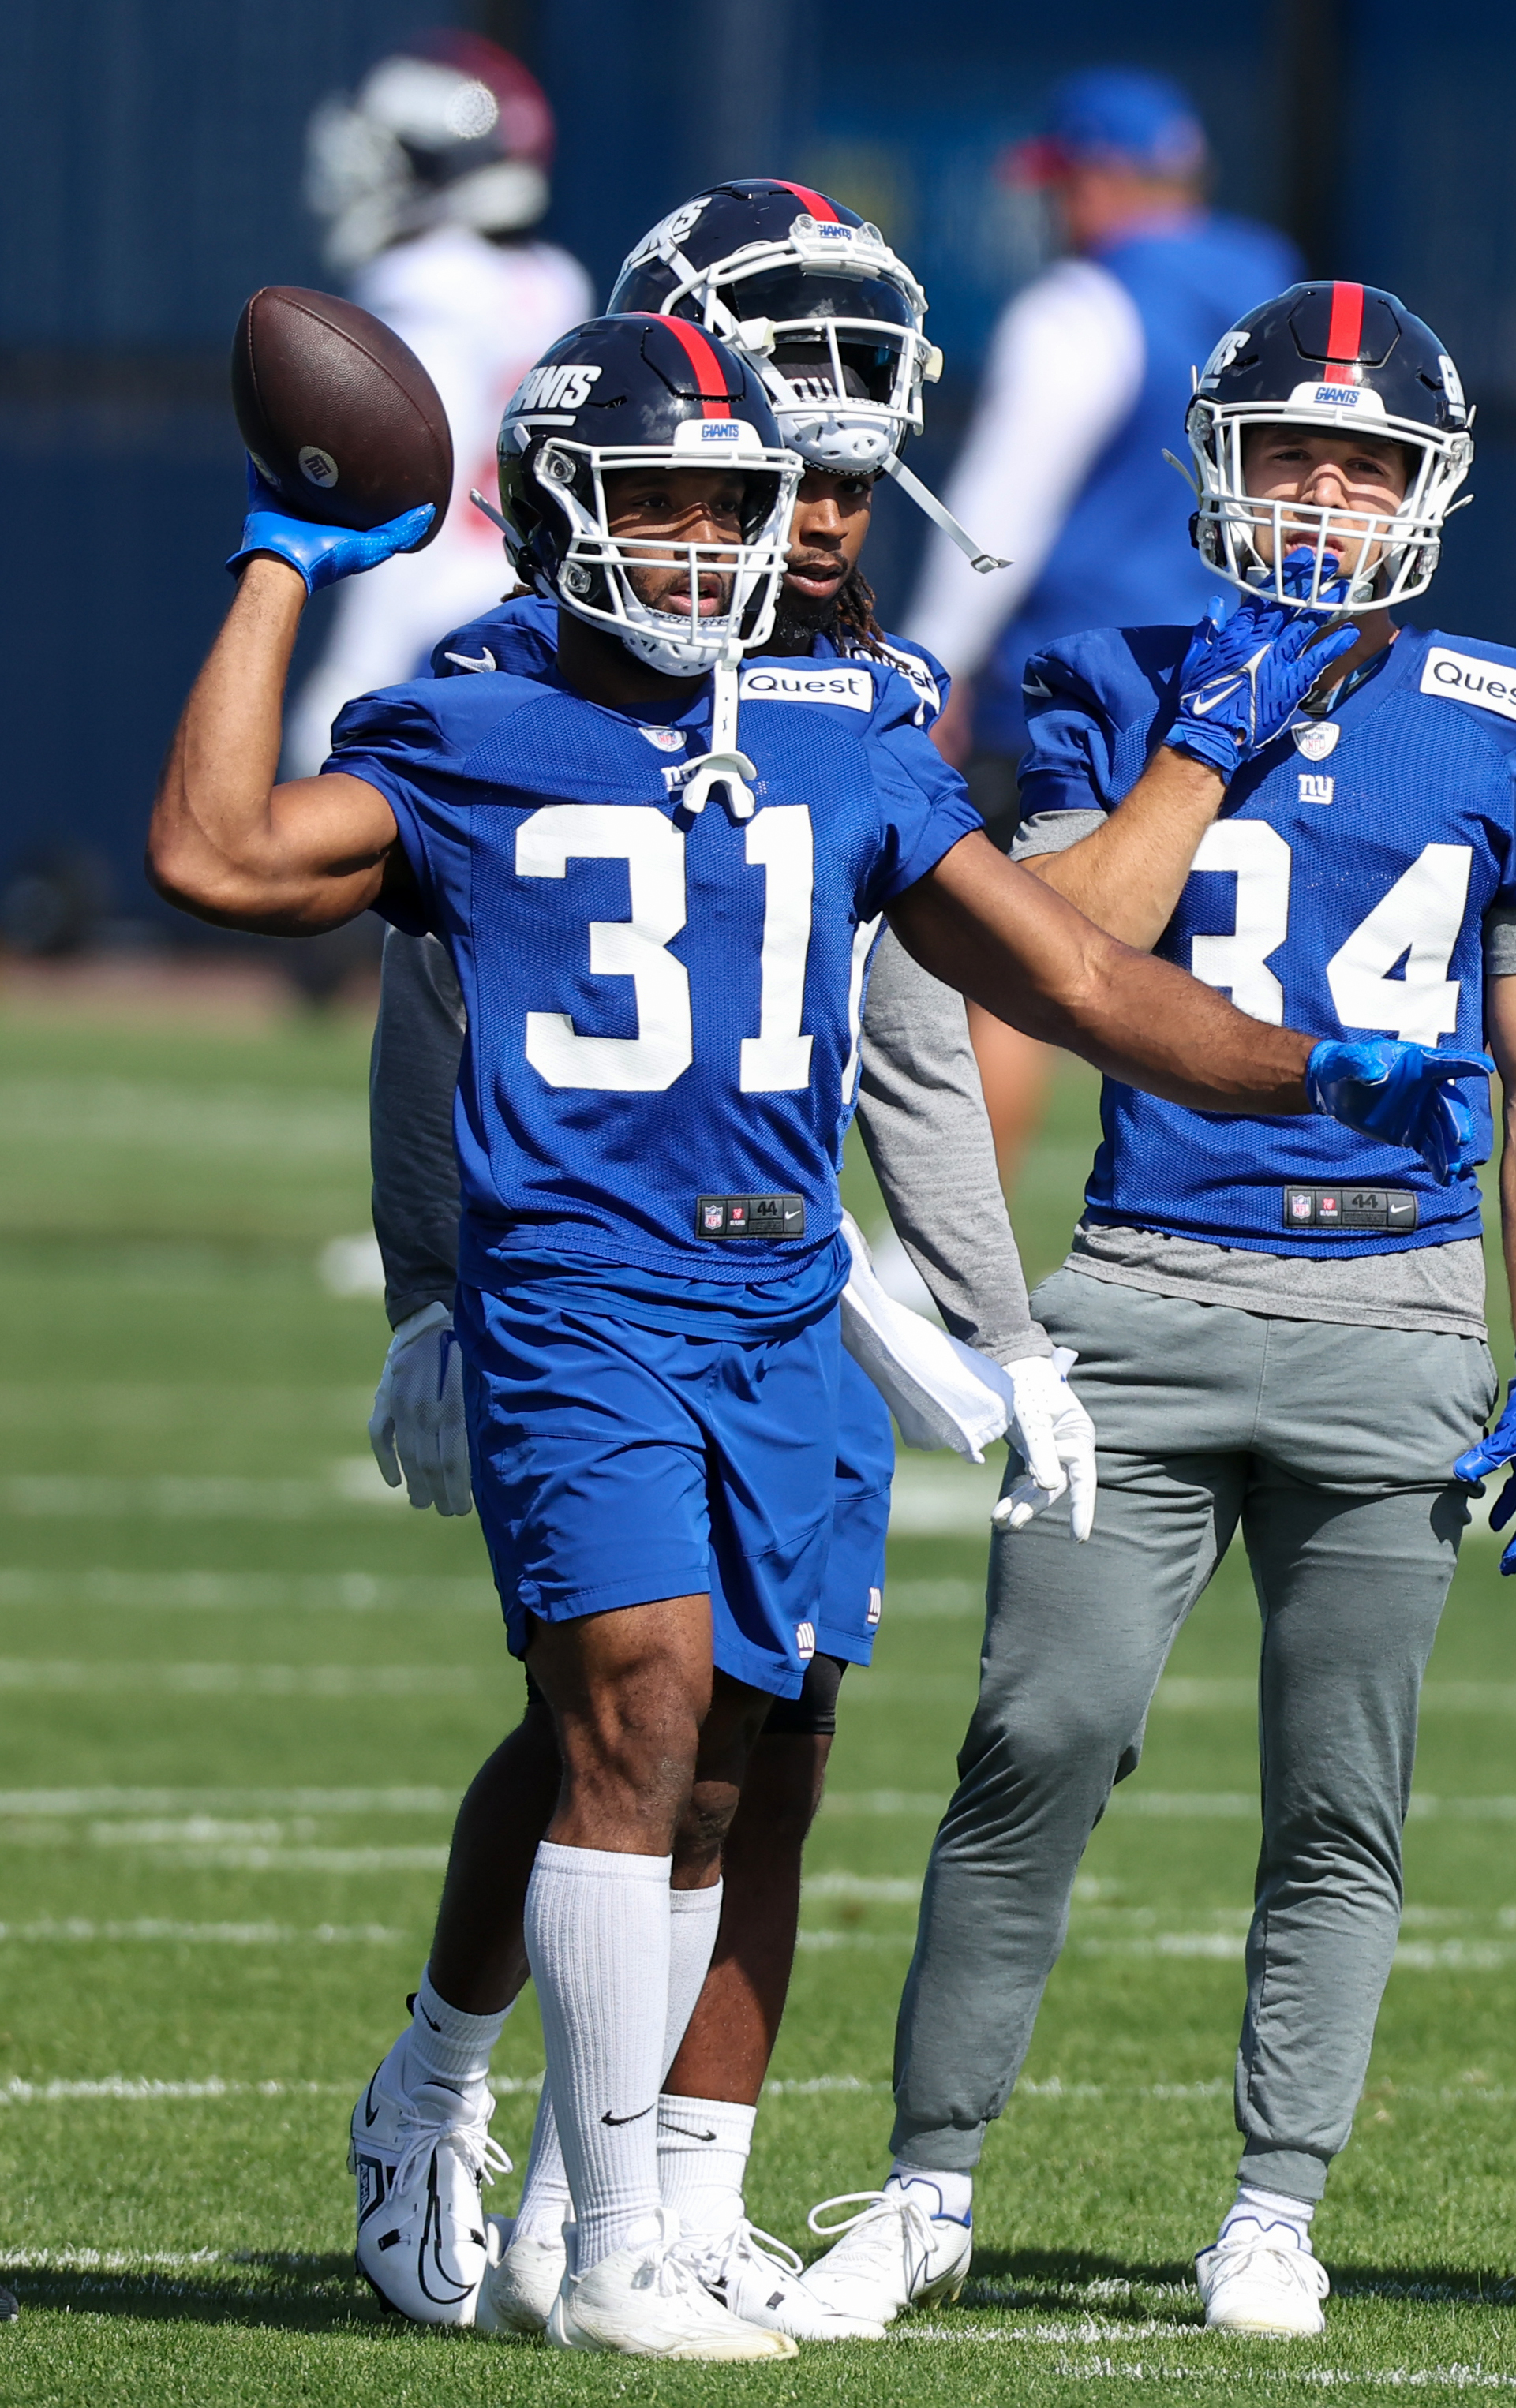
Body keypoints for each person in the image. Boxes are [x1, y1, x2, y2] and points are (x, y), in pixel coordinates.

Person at [152, 311, 1487, 2358]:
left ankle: (633, 2227)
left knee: (732, 1761)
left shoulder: (845, 734)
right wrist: (279, 558)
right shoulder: (473, 723)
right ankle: (600, 2249)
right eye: (655, 504)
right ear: (563, 517)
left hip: (787, 1303)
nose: (696, 546)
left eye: (727, 506)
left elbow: (1069, 983)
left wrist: (1311, 1069)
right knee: (636, 1700)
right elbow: (214, 854)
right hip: (580, 1296)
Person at [792, 279, 1516, 2344]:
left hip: (1401, 1311)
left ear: (1427, 488)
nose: (1326, 498)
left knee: (1339, 1790)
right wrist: (1203, 737)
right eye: (1291, 453)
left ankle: (1272, 2201)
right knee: (1034, 1741)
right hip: (1143, 1300)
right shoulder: (1103, 676)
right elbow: (1045, 960)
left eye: (1366, 461)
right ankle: (927, 2181)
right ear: (1217, 467)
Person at [346, 183, 1099, 2347]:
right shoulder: (545, 660)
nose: (836, 484)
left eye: (857, 447)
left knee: (776, 1724)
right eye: (799, 429)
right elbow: (436, 998)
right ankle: (447, 2092)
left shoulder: (866, 693)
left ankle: (681, 2198)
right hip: (590, 1262)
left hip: (787, 1262)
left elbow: (909, 1040)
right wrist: (428, 1287)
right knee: (615, 1718)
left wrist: (997, 1322)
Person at [901, 69, 1303, 1185]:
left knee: (1014, 966)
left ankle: (934, 1259)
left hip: (1081, 684)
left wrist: (931, 661)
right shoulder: (1272, 284)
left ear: (1104, 180)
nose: (1049, 208)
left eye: (1061, 184)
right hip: (1248, 677)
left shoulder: (1080, 305)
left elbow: (998, 507)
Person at [286, 31, 593, 780]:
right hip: (552, 625)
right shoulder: (553, 282)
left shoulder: (422, 289)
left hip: (443, 643)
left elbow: (416, 496)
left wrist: (348, 679)